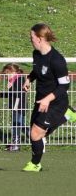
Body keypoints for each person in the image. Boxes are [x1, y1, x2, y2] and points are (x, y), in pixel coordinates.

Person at [21, 23, 73, 172]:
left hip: (56, 102)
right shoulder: (36, 54)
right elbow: (37, 71)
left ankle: (35, 164)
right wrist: (29, 79)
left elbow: (64, 86)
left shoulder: (57, 60)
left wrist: (48, 99)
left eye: (32, 37)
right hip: (41, 99)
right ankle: (67, 116)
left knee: (36, 133)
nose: (30, 40)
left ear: (40, 38)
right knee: (34, 133)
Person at [0, 63, 29, 151]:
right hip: (15, 105)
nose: (6, 76)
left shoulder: (20, 79)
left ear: (13, 72)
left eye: (7, 74)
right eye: (5, 74)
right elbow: (11, 94)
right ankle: (36, 138)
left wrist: (10, 85)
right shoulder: (13, 80)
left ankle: (16, 144)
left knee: (16, 125)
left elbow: (17, 92)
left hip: (20, 105)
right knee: (21, 125)